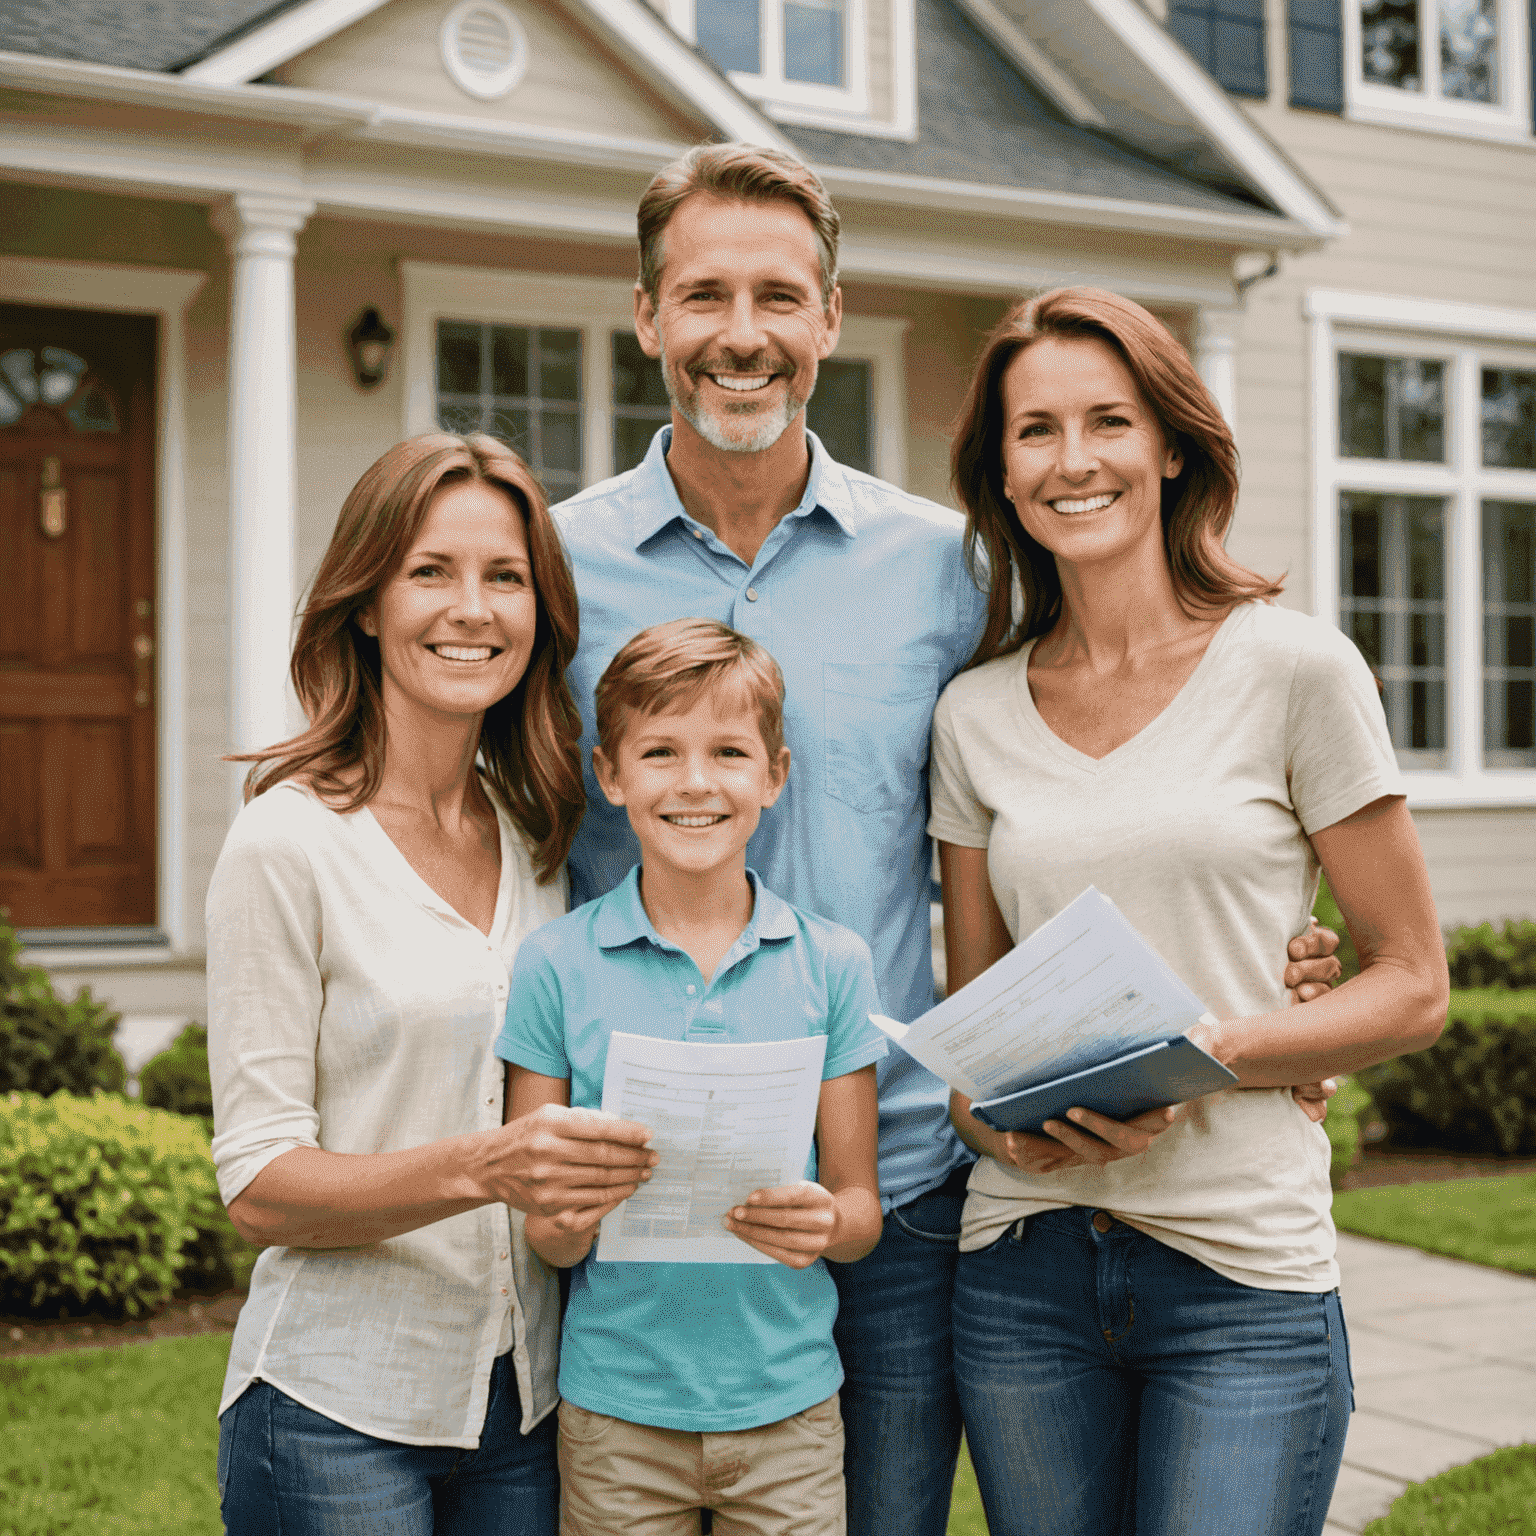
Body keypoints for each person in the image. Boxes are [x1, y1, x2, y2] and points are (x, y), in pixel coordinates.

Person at [552, 143, 1347, 1536]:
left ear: (831, 319)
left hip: (910, 1188)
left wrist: (1259, 987)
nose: (743, 336)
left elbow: (1088, 775)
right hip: (650, 1196)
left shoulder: (949, 573)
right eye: (705, 298)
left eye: (779, 298)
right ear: (647, 317)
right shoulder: (554, 576)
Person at [931, 288, 1450, 1536]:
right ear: (1001, 470)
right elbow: (972, 1033)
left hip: (1242, 1274)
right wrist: (1003, 1132)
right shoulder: (973, 714)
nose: (1074, 461)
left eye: (1108, 421)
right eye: (1036, 430)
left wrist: (1222, 1047)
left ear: (1170, 442)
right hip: (1023, 1271)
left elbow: (1413, 981)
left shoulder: (1295, 669)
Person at [207, 434, 658, 1536]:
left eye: (505, 578)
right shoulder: (288, 844)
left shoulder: (541, 844)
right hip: (334, 1415)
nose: (473, 609)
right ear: (366, 603)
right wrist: (485, 1165)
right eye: (430, 573)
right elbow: (258, 1184)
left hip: (526, 1411)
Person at [496, 618, 887, 1534]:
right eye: (661, 752)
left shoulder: (832, 965)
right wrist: (563, 1216)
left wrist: (828, 1221)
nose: (697, 782)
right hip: (618, 1412)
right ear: (611, 775)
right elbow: (542, 1232)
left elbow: (861, 1210)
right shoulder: (556, 965)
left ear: (775, 774)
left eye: (728, 752)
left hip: (788, 1409)